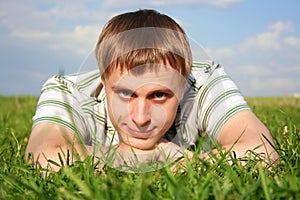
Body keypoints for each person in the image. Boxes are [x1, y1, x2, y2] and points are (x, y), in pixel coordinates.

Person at [25, 9, 278, 172]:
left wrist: (187, 161)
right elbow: (42, 157)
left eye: (159, 95)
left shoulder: (204, 81)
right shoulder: (67, 91)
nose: (141, 118)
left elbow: (263, 152)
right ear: (103, 79)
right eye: (125, 94)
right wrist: (154, 158)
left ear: (183, 85)